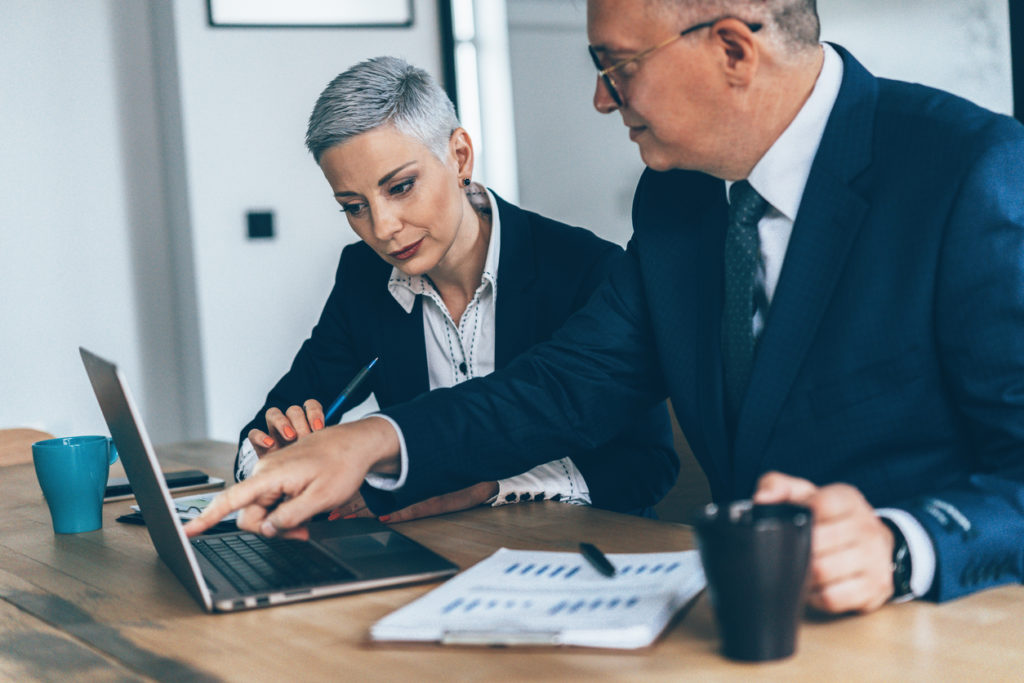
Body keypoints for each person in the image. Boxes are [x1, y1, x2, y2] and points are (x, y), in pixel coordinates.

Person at [188, 0, 1024, 615]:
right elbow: (562, 386)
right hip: (740, 631)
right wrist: (373, 439)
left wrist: (900, 541)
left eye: (617, 67)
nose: (601, 98)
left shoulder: (969, 170)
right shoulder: (678, 207)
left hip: (941, 624)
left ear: (733, 48)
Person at [230, 56, 678, 522]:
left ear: (460, 156)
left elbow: (647, 467)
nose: (382, 228)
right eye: (354, 206)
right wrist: (267, 459)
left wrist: (487, 488)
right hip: (429, 555)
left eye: (401, 187)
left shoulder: (587, 268)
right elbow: (276, 415)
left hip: (574, 551)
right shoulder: (363, 277)